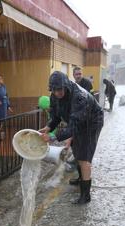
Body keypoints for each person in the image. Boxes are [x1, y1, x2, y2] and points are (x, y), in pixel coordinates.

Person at [39, 71, 104, 204]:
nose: (57, 93)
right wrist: (49, 127)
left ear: (66, 86)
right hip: (77, 120)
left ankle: (85, 196)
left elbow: (74, 128)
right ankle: (81, 178)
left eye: (60, 90)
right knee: (76, 149)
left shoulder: (79, 97)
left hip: (92, 122)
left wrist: (52, 137)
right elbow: (56, 116)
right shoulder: (54, 96)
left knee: (84, 156)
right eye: (54, 90)